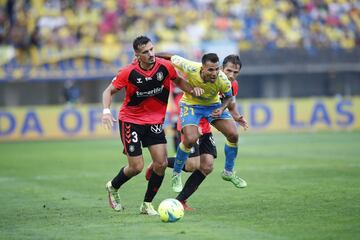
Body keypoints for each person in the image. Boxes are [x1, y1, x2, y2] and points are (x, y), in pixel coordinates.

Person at [101, 35, 202, 215]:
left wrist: (194, 91)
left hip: (155, 121)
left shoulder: (165, 66)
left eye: (151, 49)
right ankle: (113, 186)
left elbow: (178, 81)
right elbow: (108, 91)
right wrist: (106, 111)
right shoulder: (128, 72)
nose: (150, 54)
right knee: (136, 167)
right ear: (137, 55)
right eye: (145, 52)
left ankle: (146, 204)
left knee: (161, 163)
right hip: (131, 121)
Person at [146, 54, 247, 210]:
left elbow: (230, 104)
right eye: (229, 71)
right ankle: (160, 163)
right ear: (222, 68)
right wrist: (151, 57)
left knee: (207, 166)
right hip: (191, 119)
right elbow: (174, 63)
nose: (232, 75)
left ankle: (180, 200)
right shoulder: (197, 71)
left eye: (236, 73)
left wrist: (236, 116)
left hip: (206, 123)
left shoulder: (230, 84)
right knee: (193, 164)